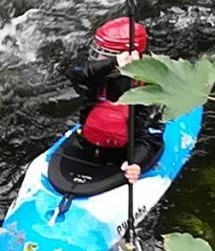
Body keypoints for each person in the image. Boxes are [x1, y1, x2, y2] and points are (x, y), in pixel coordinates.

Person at [65, 17, 162, 184]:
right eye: (99, 52)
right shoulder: (95, 77)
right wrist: (113, 63)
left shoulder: (147, 87)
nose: (99, 57)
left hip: (126, 152)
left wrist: (138, 163)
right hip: (90, 143)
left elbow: (150, 136)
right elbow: (76, 73)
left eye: (105, 54)